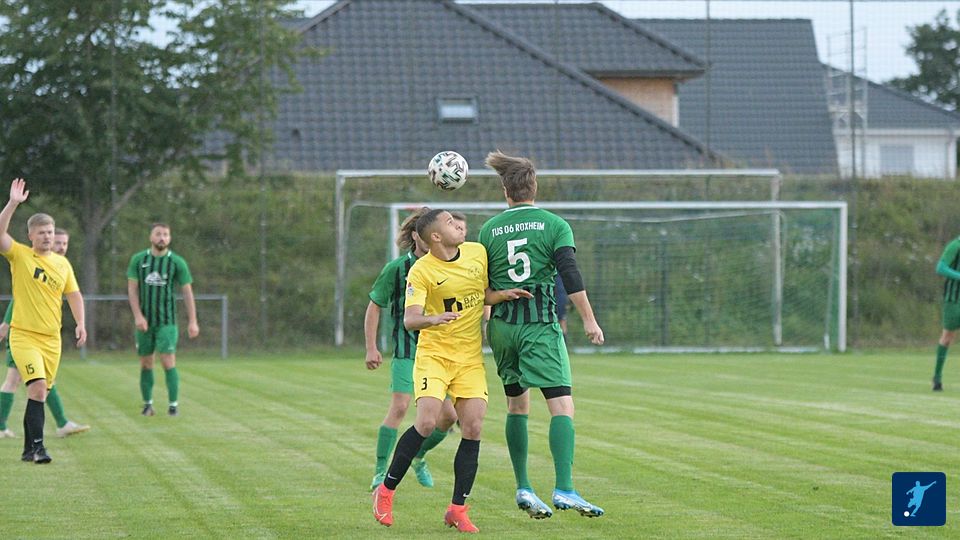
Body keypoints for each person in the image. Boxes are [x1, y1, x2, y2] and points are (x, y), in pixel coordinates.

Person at [371, 209, 531, 532]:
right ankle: (385, 491)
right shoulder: (421, 271)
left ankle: (457, 509)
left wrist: (501, 296)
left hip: (469, 358)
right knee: (427, 422)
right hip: (434, 356)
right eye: (449, 223)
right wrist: (433, 319)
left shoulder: (477, 253)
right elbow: (410, 319)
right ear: (435, 237)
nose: (458, 226)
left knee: (473, 426)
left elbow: (482, 294)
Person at [478, 151, 606, 519]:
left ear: (506, 191)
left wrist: (485, 322)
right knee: (562, 405)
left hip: (502, 328)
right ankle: (564, 488)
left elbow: (483, 285)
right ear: (534, 187)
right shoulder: (554, 225)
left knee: (517, 406)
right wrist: (589, 320)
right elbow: (570, 273)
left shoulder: (488, 230)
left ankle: (524, 486)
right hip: (539, 327)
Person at [365, 207, 458, 490]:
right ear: (416, 236)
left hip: (439, 353)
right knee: (400, 407)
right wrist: (371, 347)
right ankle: (380, 472)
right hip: (408, 350)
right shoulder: (397, 269)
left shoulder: (448, 265)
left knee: (449, 417)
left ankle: (418, 456)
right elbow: (375, 306)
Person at [0, 178, 87, 463]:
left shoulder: (62, 264)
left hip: (51, 339)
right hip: (24, 335)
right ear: (31, 236)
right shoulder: (20, 255)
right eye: (42, 232)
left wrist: (80, 323)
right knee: (36, 387)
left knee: (40, 393)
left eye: (50, 232)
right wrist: (13, 203)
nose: (48, 237)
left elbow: (73, 294)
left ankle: (29, 450)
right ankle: (38, 449)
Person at [127, 223, 199, 416]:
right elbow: (132, 290)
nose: (162, 238)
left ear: (170, 238)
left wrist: (193, 320)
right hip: (144, 322)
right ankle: (147, 405)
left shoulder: (177, 262)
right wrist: (138, 316)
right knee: (146, 362)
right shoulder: (138, 260)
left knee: (168, 361)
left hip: (167, 322)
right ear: (151, 237)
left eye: (166, 234)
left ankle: (173, 406)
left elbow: (187, 292)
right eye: (158, 234)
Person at [932, 235, 960, 391]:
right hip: (953, 300)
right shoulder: (955, 246)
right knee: (947, 337)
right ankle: (937, 377)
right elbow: (941, 267)